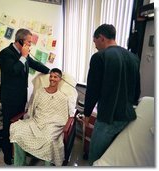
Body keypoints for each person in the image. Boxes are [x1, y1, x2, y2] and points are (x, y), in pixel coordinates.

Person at [83, 24, 140, 165]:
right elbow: (137, 91)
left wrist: (87, 114)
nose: (95, 46)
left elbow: (92, 89)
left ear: (101, 38)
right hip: (127, 117)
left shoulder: (99, 57)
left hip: (108, 118)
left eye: (95, 42)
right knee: (114, 158)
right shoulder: (133, 58)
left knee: (96, 159)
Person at [0, 28, 50, 165]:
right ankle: (8, 155)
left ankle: (19, 151)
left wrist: (51, 72)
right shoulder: (5, 54)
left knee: (19, 125)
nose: (30, 45)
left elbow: (35, 64)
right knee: (8, 125)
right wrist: (22, 56)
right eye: (28, 42)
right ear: (20, 40)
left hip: (21, 96)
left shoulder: (24, 55)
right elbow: (13, 71)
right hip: (9, 97)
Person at [10, 68, 69, 166]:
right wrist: (32, 119)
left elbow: (62, 117)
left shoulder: (62, 97)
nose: (52, 79)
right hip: (37, 121)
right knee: (17, 129)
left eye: (55, 77)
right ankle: (20, 164)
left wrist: (51, 122)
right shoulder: (40, 91)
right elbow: (32, 108)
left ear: (60, 79)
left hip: (51, 125)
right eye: (51, 76)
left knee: (49, 140)